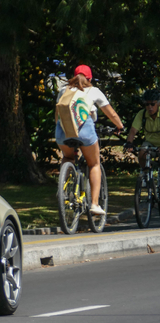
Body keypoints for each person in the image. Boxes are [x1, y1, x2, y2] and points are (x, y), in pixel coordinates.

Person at [55, 65, 124, 215]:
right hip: (84, 130)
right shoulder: (94, 91)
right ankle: (94, 204)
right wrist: (119, 126)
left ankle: (63, 191)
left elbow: (57, 114)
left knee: (67, 157)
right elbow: (110, 113)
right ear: (90, 78)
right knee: (94, 163)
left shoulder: (63, 90)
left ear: (73, 76)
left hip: (62, 131)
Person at [124, 89, 160, 171]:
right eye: (147, 104)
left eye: (152, 104)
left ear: (158, 104)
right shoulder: (142, 114)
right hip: (150, 143)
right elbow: (133, 130)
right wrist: (129, 143)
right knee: (142, 154)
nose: (149, 107)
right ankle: (145, 175)